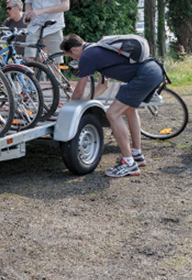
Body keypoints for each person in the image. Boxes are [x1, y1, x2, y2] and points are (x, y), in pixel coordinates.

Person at [61, 34, 164, 178]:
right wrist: (85, 103)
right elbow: (103, 86)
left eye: (70, 56)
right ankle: (136, 155)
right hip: (154, 70)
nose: (73, 59)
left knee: (112, 114)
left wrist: (68, 109)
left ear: (73, 49)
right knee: (129, 110)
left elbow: (79, 90)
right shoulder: (97, 48)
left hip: (144, 75)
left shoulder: (86, 56)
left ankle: (128, 163)